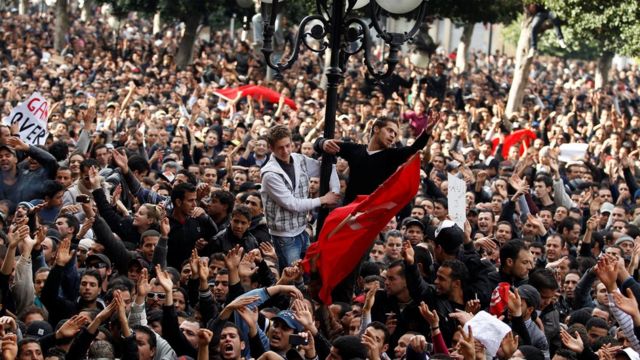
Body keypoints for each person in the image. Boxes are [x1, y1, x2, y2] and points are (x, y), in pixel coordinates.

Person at [261, 125, 340, 269]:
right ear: (271, 148)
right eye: (280, 148)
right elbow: (292, 204)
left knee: (308, 270)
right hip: (285, 235)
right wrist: (323, 200)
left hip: (302, 228)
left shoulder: (299, 159)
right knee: (293, 277)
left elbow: (327, 168)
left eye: (287, 146)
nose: (285, 151)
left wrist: (334, 192)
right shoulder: (270, 174)